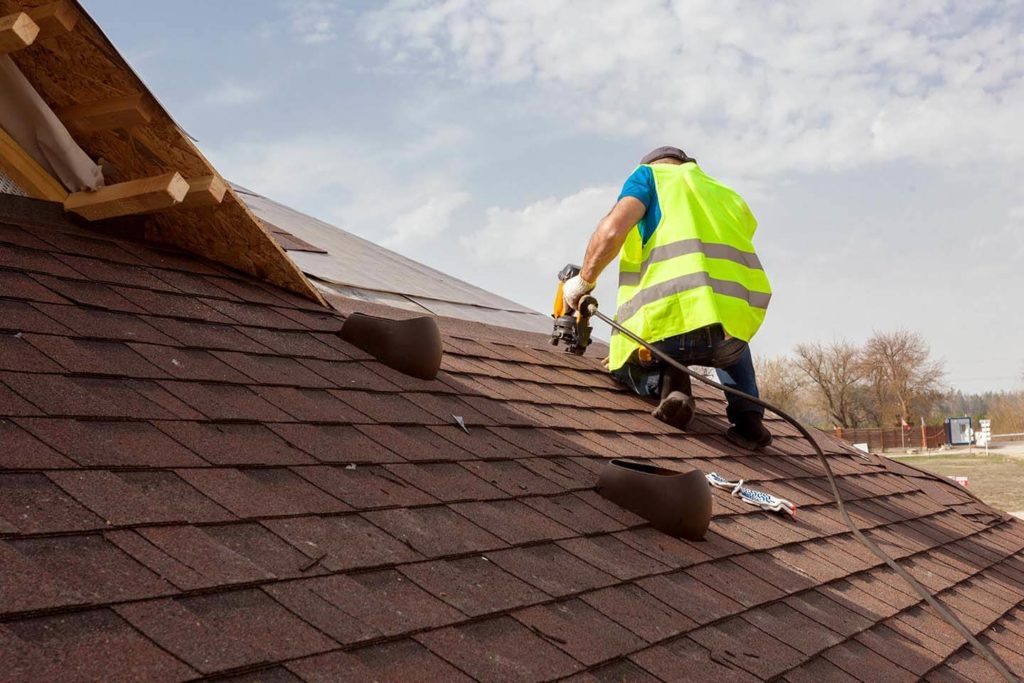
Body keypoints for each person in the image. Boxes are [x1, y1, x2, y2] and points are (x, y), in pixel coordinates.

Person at [562, 146, 773, 450]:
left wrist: (582, 282)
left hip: (668, 329)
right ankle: (749, 420)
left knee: (626, 363)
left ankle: (674, 388)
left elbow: (611, 232)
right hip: (731, 333)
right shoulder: (724, 192)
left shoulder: (649, 177)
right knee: (726, 333)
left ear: (656, 165)